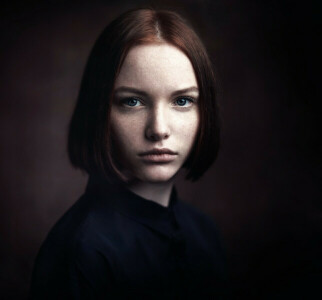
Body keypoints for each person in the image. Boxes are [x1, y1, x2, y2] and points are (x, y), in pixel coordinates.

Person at [29, 8, 227, 299]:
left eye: (182, 101)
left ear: (204, 111)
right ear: (100, 112)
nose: (158, 129)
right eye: (132, 102)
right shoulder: (80, 252)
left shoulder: (205, 233)